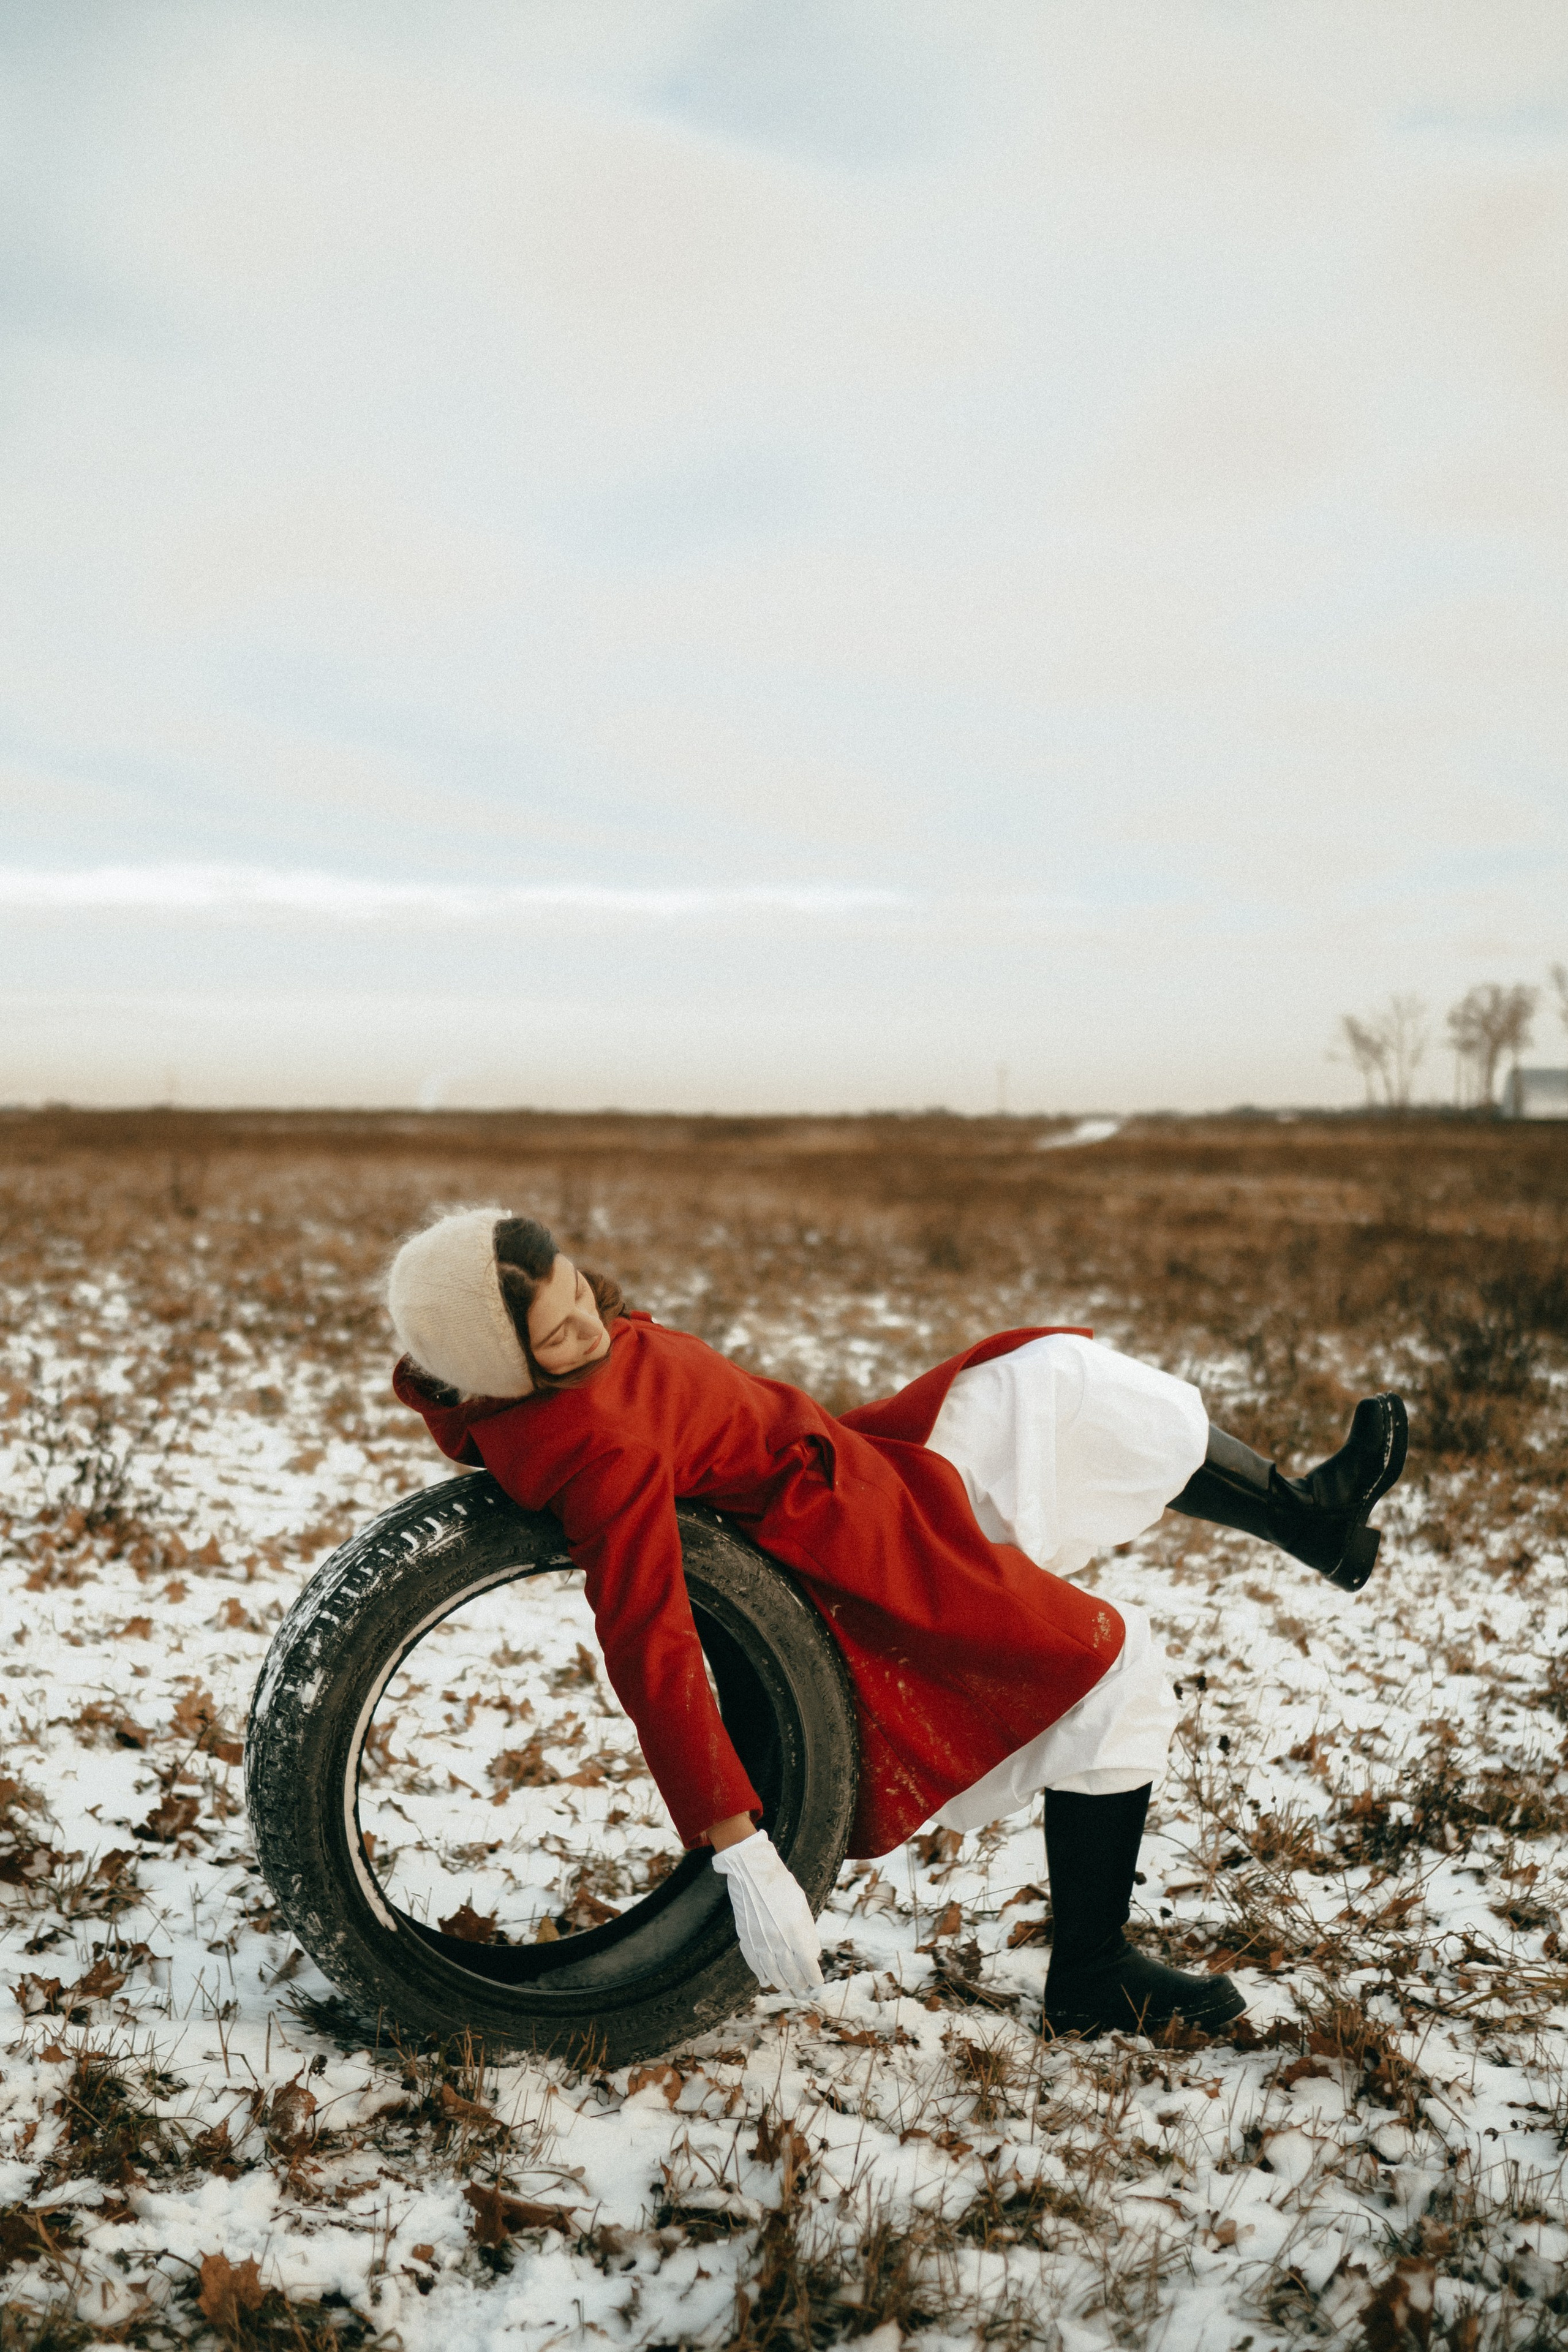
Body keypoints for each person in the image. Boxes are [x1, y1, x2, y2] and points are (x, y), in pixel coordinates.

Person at [386, 1208, 1408, 2041]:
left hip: (857, 1465)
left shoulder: (563, 1361)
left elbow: (634, 1359)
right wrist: (739, 1848)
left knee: (1062, 1380)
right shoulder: (599, 1449)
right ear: (505, 1369)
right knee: (1117, 1669)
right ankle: (1093, 1974)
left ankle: (1310, 1520)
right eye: (558, 1334)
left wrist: (583, 1326)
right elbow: (649, 1642)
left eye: (578, 1291)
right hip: (851, 1552)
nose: (591, 1328)